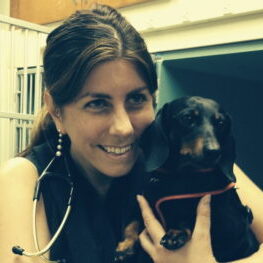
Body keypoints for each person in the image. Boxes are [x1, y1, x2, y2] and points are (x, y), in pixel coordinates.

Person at [0, 4, 262, 263]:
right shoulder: (24, 178)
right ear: (57, 111)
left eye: (136, 98)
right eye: (97, 103)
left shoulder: (195, 164)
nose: (123, 127)